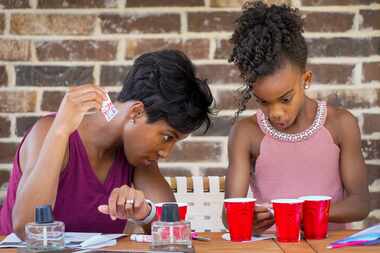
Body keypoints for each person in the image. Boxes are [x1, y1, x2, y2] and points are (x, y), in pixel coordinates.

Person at [0, 49, 214, 238]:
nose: (166, 152)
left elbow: (173, 230)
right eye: (167, 137)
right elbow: (26, 227)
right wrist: (60, 130)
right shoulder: (50, 132)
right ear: (136, 112)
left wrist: (144, 214)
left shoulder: (138, 158)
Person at [223, 1, 369, 234]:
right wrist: (247, 220)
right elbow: (229, 216)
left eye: (285, 99)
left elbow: (360, 204)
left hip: (327, 246)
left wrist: (302, 212)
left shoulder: (341, 124)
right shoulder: (245, 133)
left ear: (306, 80)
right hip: (271, 247)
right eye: (263, 102)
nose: (276, 113)